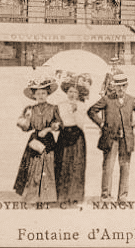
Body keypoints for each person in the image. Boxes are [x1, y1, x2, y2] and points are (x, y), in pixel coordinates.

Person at [87, 70, 135, 202]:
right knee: (108, 167)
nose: (121, 88)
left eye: (123, 86)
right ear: (113, 86)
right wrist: (101, 123)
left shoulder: (132, 100)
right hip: (110, 139)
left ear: (127, 86)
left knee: (125, 167)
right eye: (118, 86)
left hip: (126, 140)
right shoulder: (107, 99)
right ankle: (105, 196)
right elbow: (91, 111)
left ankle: (123, 197)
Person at [14, 76, 62, 204]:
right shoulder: (30, 109)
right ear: (34, 95)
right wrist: (27, 119)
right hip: (35, 140)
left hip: (49, 141)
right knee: (33, 166)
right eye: (38, 93)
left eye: (44, 93)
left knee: (49, 166)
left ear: (47, 94)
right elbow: (25, 127)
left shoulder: (53, 108)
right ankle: (32, 197)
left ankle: (49, 197)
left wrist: (49, 129)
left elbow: (59, 124)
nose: (41, 96)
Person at [55, 73, 91, 204]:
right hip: (64, 136)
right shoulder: (60, 105)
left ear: (78, 94)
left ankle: (75, 196)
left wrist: (76, 111)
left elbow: (82, 124)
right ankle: (62, 196)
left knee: (76, 166)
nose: (72, 94)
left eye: (75, 92)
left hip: (77, 137)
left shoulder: (82, 106)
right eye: (70, 91)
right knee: (63, 164)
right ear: (66, 92)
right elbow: (58, 121)